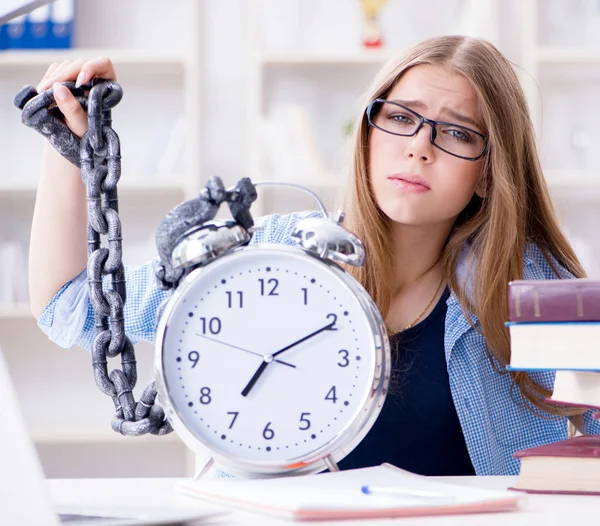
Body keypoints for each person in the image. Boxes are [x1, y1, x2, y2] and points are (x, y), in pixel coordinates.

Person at [29, 36, 599, 477]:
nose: (419, 147)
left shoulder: (528, 281)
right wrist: (69, 147)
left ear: (488, 172)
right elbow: (70, 304)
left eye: (457, 133)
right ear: (369, 133)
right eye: (401, 117)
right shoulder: (270, 257)